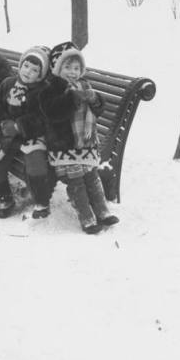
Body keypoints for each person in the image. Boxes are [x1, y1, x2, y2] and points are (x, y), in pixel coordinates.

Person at [39, 42, 119, 234]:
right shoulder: (51, 88)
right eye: (67, 67)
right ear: (58, 69)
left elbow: (98, 109)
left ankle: (102, 211)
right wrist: (72, 98)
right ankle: (86, 217)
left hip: (85, 144)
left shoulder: (85, 85)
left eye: (76, 68)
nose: (72, 72)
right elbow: (52, 112)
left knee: (91, 176)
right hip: (63, 145)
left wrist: (94, 99)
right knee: (76, 180)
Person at [0, 46, 53, 219]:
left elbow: (43, 118)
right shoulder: (8, 84)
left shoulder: (43, 92)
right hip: (8, 134)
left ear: (41, 74)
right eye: (26, 66)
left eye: (35, 70)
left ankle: (42, 202)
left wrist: (20, 126)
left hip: (31, 136)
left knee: (36, 164)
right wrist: (2, 123)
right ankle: (6, 199)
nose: (28, 72)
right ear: (20, 64)